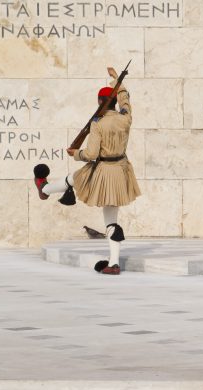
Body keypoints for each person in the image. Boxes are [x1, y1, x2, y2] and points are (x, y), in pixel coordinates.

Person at [33, 67, 140, 275]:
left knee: (74, 178)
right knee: (111, 219)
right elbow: (125, 99)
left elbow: (90, 154)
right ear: (115, 102)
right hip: (121, 171)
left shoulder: (97, 123)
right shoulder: (126, 118)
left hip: (103, 170)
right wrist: (117, 80)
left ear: (100, 103)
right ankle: (114, 264)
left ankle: (44, 188)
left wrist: (75, 153)